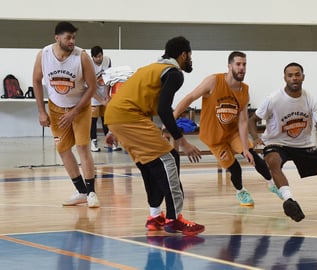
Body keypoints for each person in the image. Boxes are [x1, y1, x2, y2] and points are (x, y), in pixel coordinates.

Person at [104, 36, 205, 236]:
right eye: (190, 56)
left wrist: (112, 129)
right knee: (170, 158)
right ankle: (175, 218)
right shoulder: (174, 73)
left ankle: (154, 216)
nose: (190, 60)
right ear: (183, 54)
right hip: (128, 116)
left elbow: (128, 96)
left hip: (116, 115)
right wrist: (182, 141)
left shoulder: (149, 69)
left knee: (150, 164)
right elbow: (164, 109)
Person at [173, 51, 281, 207]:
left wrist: (245, 148)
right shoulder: (213, 81)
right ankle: (241, 191)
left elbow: (243, 121)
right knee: (235, 169)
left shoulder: (244, 90)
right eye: (238, 64)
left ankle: (272, 184)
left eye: (244, 64)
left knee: (251, 155)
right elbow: (190, 97)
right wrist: (172, 118)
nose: (242, 68)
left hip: (233, 133)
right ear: (229, 66)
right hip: (215, 138)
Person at [248, 62, 317, 222]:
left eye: (297, 74)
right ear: (285, 78)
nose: (294, 78)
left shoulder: (310, 99)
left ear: (303, 77)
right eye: (290, 75)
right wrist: (255, 137)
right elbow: (253, 120)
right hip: (276, 142)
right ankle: (289, 201)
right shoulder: (273, 99)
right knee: (273, 161)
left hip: (303, 145)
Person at [32, 21, 100, 208]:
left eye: (74, 38)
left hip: (80, 107)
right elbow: (37, 81)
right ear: (57, 38)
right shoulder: (44, 55)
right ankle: (81, 191)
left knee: (83, 147)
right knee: (63, 150)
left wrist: (75, 111)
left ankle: (92, 192)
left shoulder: (82, 56)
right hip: (56, 108)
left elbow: (92, 87)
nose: (72, 41)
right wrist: (41, 111)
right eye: (68, 37)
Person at [89, 45, 121, 152]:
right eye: (96, 57)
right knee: (93, 120)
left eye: (100, 56)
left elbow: (108, 78)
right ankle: (93, 141)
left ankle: (110, 141)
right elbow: (89, 88)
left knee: (106, 118)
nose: (99, 59)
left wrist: (107, 95)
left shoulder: (107, 60)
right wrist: (100, 100)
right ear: (92, 57)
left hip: (103, 92)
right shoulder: (88, 65)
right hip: (93, 95)